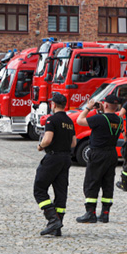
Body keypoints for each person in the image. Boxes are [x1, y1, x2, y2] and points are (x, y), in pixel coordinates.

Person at [76, 95, 123, 224]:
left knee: (92, 182)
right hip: (112, 153)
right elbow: (107, 121)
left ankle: (90, 213)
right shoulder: (119, 120)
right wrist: (101, 111)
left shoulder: (99, 119)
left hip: (98, 153)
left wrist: (88, 108)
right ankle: (105, 214)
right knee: (108, 183)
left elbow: (80, 120)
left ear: (106, 105)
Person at [34, 92, 76, 236]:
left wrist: (40, 146)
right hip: (66, 158)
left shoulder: (52, 120)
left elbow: (47, 140)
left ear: (53, 104)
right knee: (60, 191)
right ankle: (57, 226)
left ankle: (53, 219)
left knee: (39, 188)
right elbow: (74, 142)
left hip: (53, 157)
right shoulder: (69, 121)